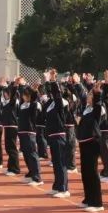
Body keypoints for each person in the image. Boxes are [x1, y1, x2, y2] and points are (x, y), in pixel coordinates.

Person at [77, 83, 106, 212]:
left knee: (92, 172)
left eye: (90, 95)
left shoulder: (96, 109)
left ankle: (97, 202)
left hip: (92, 142)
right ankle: (88, 198)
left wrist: (98, 93)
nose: (87, 96)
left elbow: (99, 106)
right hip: (83, 142)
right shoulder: (86, 109)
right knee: (85, 172)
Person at [42, 70, 71, 198]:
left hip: (59, 135)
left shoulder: (61, 102)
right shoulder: (51, 103)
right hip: (52, 136)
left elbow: (56, 94)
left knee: (60, 162)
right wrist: (46, 80)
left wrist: (53, 80)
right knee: (55, 162)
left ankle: (64, 188)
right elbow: (49, 93)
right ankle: (57, 186)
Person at [18, 84, 43, 186]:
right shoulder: (22, 105)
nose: (23, 97)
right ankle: (31, 172)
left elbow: (34, 101)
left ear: (29, 96)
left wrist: (35, 91)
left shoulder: (34, 105)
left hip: (30, 132)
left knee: (32, 154)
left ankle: (37, 178)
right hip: (22, 132)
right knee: (25, 154)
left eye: (25, 95)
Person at [1, 81, 21, 176]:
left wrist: (15, 86)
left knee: (12, 148)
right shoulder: (6, 103)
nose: (4, 95)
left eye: (5, 93)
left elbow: (13, 95)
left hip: (12, 126)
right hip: (7, 126)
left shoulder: (13, 101)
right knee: (8, 148)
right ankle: (10, 167)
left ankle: (15, 169)